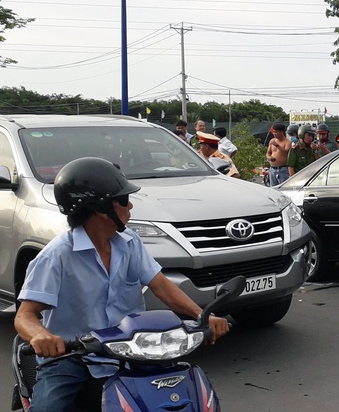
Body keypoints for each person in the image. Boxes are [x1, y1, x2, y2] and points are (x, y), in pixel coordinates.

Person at [14, 157, 230, 412]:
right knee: (49, 407)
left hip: (132, 351)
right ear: (100, 209)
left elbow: (160, 285)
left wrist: (202, 315)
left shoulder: (130, 243)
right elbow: (25, 315)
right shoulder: (56, 256)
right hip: (73, 358)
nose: (131, 206)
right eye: (124, 200)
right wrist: (41, 335)